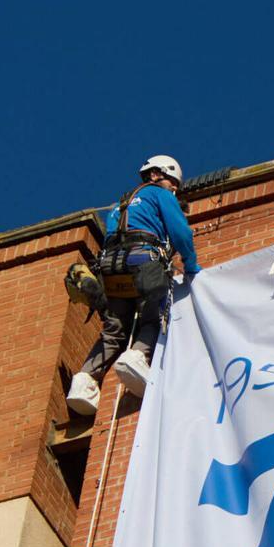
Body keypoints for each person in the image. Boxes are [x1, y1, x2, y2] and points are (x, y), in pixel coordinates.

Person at [66, 155, 200, 416]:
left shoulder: (121, 205)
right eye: (173, 181)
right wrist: (192, 266)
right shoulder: (160, 195)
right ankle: (137, 356)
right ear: (156, 175)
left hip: (111, 267)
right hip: (142, 260)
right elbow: (181, 232)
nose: (175, 188)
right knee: (156, 313)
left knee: (116, 327)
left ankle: (84, 380)